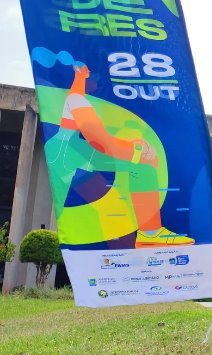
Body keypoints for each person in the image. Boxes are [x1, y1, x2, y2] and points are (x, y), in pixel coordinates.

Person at [38, 55, 193, 248]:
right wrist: (138, 152)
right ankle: (149, 234)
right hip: (69, 151)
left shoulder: (77, 97)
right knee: (141, 167)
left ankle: (148, 234)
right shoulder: (78, 101)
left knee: (137, 173)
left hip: (69, 149)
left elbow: (79, 97)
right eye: (97, 78)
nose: (99, 83)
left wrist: (80, 77)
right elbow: (101, 142)